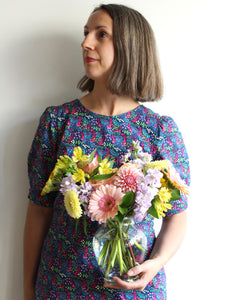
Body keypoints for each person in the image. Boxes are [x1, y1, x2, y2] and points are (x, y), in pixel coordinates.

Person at [23, 3, 190, 299]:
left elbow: (177, 215)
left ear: (130, 46)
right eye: (86, 33)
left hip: (133, 287)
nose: (86, 42)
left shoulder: (160, 131)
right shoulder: (58, 122)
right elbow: (38, 210)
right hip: (62, 284)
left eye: (101, 34)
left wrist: (156, 264)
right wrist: (27, 288)